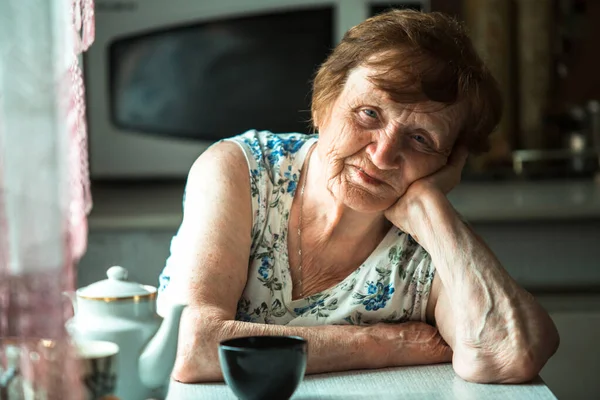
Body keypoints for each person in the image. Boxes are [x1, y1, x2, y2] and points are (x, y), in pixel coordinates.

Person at [157, 9, 559, 384]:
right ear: (325, 103)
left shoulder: (428, 249)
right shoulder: (242, 170)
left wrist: (431, 211)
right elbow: (193, 345)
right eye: (369, 113)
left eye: (420, 139)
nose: (383, 155)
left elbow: (505, 354)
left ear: (448, 162)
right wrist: (386, 344)